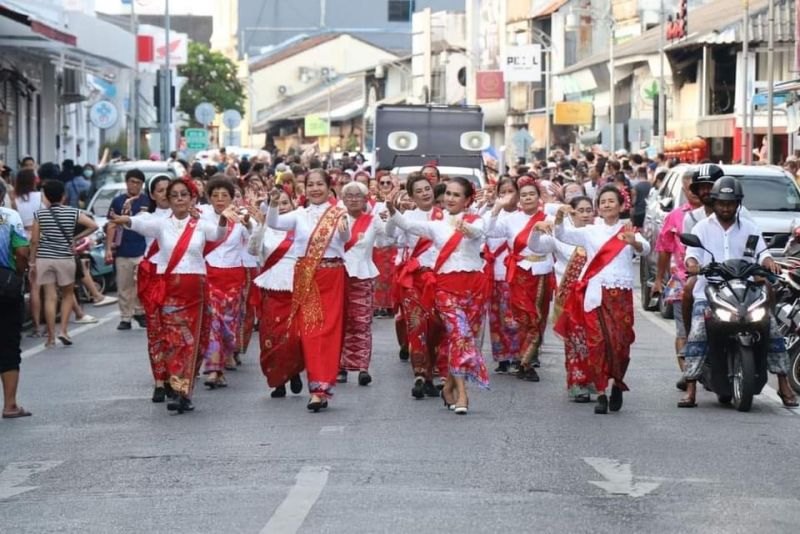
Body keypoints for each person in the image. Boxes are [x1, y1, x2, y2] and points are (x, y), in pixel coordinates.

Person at [111, 178, 235, 414]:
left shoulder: (200, 224)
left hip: (194, 290)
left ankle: (184, 392)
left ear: (191, 198)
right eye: (174, 195)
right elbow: (138, 223)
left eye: (183, 195)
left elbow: (218, 234)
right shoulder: (161, 224)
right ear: (167, 200)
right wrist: (123, 220)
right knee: (173, 341)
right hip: (170, 290)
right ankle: (178, 389)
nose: (179, 199)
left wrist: (222, 218)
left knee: (192, 342)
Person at [679, 177, 798, 408]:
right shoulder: (701, 228)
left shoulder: (750, 228)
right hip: (711, 293)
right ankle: (691, 386)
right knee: (698, 331)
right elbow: (691, 255)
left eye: (731, 203)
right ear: (714, 202)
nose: (726, 207)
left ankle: (784, 384)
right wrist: (694, 264)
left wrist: (769, 262)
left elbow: (761, 253)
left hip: (746, 293)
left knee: (771, 327)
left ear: (738, 204)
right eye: (722, 202)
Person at [386, 177, 489, 415]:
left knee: (465, 340)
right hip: (445, 287)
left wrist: (467, 228)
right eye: (448, 194)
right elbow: (408, 226)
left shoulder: (476, 221)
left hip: (473, 286)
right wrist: (392, 209)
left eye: (456, 195)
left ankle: (450, 385)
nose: (450, 199)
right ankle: (462, 394)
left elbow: (477, 233)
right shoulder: (437, 225)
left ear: (467, 199)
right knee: (458, 335)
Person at [554, 185, 651, 414]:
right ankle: (600, 392)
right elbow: (562, 235)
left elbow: (645, 249)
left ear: (621, 205)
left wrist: (633, 242)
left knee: (621, 344)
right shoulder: (590, 231)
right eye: (603, 202)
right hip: (596, 294)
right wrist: (559, 217)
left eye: (611, 201)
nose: (607, 205)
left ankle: (617, 382)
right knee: (597, 344)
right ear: (599, 207)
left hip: (621, 296)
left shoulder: (627, 229)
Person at [266, 169, 350, 412]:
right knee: (310, 332)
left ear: (328, 186)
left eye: (319, 184)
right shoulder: (298, 215)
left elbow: (345, 239)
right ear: (305, 189)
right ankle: (315, 383)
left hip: (331, 276)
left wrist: (343, 227)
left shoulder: (338, 213)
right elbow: (273, 223)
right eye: (310, 184)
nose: (315, 189)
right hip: (306, 277)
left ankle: (320, 389)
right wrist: (271, 204)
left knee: (328, 332)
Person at [489, 177, 555, 382]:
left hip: (541, 272)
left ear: (538, 197)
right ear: (519, 198)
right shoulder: (510, 219)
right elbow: (490, 231)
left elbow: (554, 239)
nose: (527, 198)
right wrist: (496, 208)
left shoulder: (548, 216)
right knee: (522, 317)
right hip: (518, 272)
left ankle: (526, 358)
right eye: (524, 194)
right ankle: (524, 361)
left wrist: (553, 199)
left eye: (531, 194)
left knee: (537, 317)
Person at [387, 173, 444, 399]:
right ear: (411, 196)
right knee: (416, 324)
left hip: (439, 277)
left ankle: (433, 371)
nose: (424, 193)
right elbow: (391, 237)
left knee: (437, 325)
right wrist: (393, 213)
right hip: (414, 277)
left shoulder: (444, 215)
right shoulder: (407, 216)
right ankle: (420, 373)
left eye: (427, 188)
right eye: (418, 191)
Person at [249, 188, 304, 399]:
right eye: (277, 203)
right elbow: (253, 250)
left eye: (284, 203)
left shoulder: (300, 226)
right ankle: (278, 380)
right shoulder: (266, 227)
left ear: (293, 204)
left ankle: (294, 370)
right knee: (272, 337)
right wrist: (259, 226)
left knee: (295, 337)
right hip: (271, 288)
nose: (281, 207)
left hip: (296, 287)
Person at [30, 180, 98, 347]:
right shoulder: (73, 212)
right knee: (68, 295)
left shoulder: (40, 214)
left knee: (50, 297)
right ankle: (64, 331)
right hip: (65, 258)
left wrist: (32, 262)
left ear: (46, 196)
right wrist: (74, 239)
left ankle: (50, 337)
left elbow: (34, 241)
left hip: (44, 258)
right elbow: (93, 225)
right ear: (64, 196)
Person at [652, 169, 702, 391]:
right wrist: (658, 279)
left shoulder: (718, 213)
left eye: (699, 187)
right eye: (690, 188)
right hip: (683, 281)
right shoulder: (675, 216)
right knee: (683, 331)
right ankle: (687, 374)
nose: (696, 192)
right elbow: (664, 249)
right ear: (684, 189)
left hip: (711, 282)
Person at [199, 177, 250, 389]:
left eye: (225, 195)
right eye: (215, 195)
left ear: (232, 198)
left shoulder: (241, 218)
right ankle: (213, 369)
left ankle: (225, 356)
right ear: (209, 197)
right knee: (213, 322)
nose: (220, 199)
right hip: (209, 274)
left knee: (229, 325)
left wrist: (250, 223)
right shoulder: (201, 217)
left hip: (233, 275)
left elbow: (253, 242)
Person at [338, 181, 385, 385]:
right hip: (338, 276)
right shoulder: (334, 219)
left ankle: (362, 367)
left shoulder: (373, 221)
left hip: (363, 276)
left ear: (366, 199)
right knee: (339, 322)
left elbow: (388, 239)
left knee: (362, 322)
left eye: (358, 195)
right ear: (343, 199)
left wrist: (392, 216)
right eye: (349, 196)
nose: (354, 199)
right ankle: (339, 365)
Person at [551, 195, 595, 401]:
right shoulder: (567, 236)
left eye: (589, 210)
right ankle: (577, 382)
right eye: (581, 211)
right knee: (575, 340)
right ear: (573, 213)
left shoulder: (600, 234)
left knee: (594, 339)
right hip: (569, 293)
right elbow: (558, 234)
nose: (586, 214)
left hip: (593, 294)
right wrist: (559, 218)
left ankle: (594, 379)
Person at [136, 174, 173, 402]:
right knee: (156, 332)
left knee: (176, 333)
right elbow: (137, 224)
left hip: (178, 280)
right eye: (160, 190)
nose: (165, 194)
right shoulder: (147, 217)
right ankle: (160, 380)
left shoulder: (187, 217)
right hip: (153, 279)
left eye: (169, 189)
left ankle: (175, 378)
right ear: (152, 194)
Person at [482, 177, 521, 375]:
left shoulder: (523, 216)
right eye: (502, 191)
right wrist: (494, 208)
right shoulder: (491, 214)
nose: (506, 195)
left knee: (511, 317)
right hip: (492, 272)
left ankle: (516, 354)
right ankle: (501, 357)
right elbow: (484, 232)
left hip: (513, 273)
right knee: (495, 317)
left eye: (510, 191)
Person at [0, 181, 32, 418]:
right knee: (9, 344)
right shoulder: (10, 217)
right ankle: (10, 404)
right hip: (6, 288)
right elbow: (22, 252)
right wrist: (19, 275)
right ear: (3, 197)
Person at [105, 169, 148, 330]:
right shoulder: (117, 201)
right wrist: (109, 248)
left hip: (143, 249)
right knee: (124, 285)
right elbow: (111, 225)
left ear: (142, 185)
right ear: (126, 182)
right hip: (123, 250)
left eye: (138, 182)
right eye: (131, 181)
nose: (134, 185)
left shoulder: (147, 202)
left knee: (140, 284)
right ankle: (125, 317)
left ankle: (139, 311)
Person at [11, 169, 43, 337]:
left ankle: (36, 327)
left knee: (31, 286)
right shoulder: (40, 197)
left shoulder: (14, 200)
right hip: (39, 239)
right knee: (41, 286)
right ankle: (42, 326)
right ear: (33, 181)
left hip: (22, 239)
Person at [371, 174, 396, 317]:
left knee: (391, 278)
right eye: (382, 183)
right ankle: (379, 306)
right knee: (379, 278)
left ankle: (391, 305)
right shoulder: (373, 204)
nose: (385, 185)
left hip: (393, 245)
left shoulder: (398, 200)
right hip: (377, 246)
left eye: (388, 183)